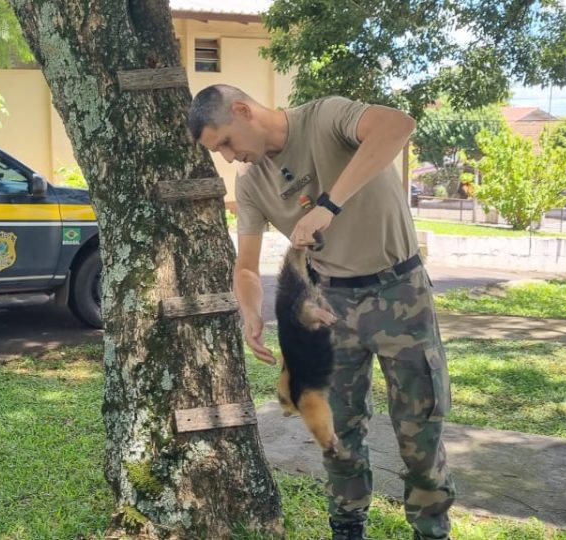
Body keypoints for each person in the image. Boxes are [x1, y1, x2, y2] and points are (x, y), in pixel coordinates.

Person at [189, 84, 455, 540]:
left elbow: (398, 126)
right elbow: (246, 268)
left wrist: (329, 205)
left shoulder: (327, 117)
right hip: (329, 305)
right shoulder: (251, 183)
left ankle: (431, 531)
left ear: (241, 110)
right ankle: (347, 527)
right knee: (337, 431)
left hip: (400, 292)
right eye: (220, 152)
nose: (230, 157)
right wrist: (251, 314)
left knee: (419, 428)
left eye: (227, 143)